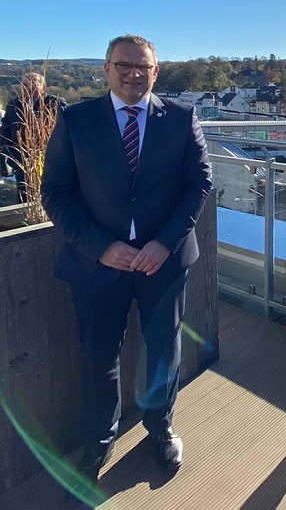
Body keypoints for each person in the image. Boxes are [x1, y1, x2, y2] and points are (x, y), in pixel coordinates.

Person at [41, 34, 212, 504]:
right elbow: (55, 192)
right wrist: (101, 247)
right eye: (124, 65)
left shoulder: (180, 118)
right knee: (99, 355)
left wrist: (163, 243)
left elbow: (199, 184)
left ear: (156, 72)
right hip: (98, 265)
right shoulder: (76, 120)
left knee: (163, 351)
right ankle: (99, 440)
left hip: (164, 261)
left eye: (144, 67)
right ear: (106, 69)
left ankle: (160, 427)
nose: (134, 73)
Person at [1, 72, 66, 202]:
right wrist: (14, 157)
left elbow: (68, 131)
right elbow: (4, 134)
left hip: (51, 164)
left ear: (44, 87)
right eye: (25, 84)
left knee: (54, 200)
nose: (28, 88)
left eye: (33, 84)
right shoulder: (13, 106)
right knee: (26, 201)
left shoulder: (55, 104)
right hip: (22, 164)